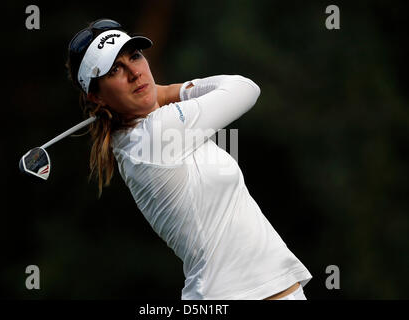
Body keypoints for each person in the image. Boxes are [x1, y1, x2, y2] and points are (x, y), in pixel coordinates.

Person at [65, 18, 312, 300]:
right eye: (115, 69)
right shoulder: (157, 132)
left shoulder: (136, 139)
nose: (135, 72)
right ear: (96, 96)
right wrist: (170, 90)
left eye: (134, 56)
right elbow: (245, 88)